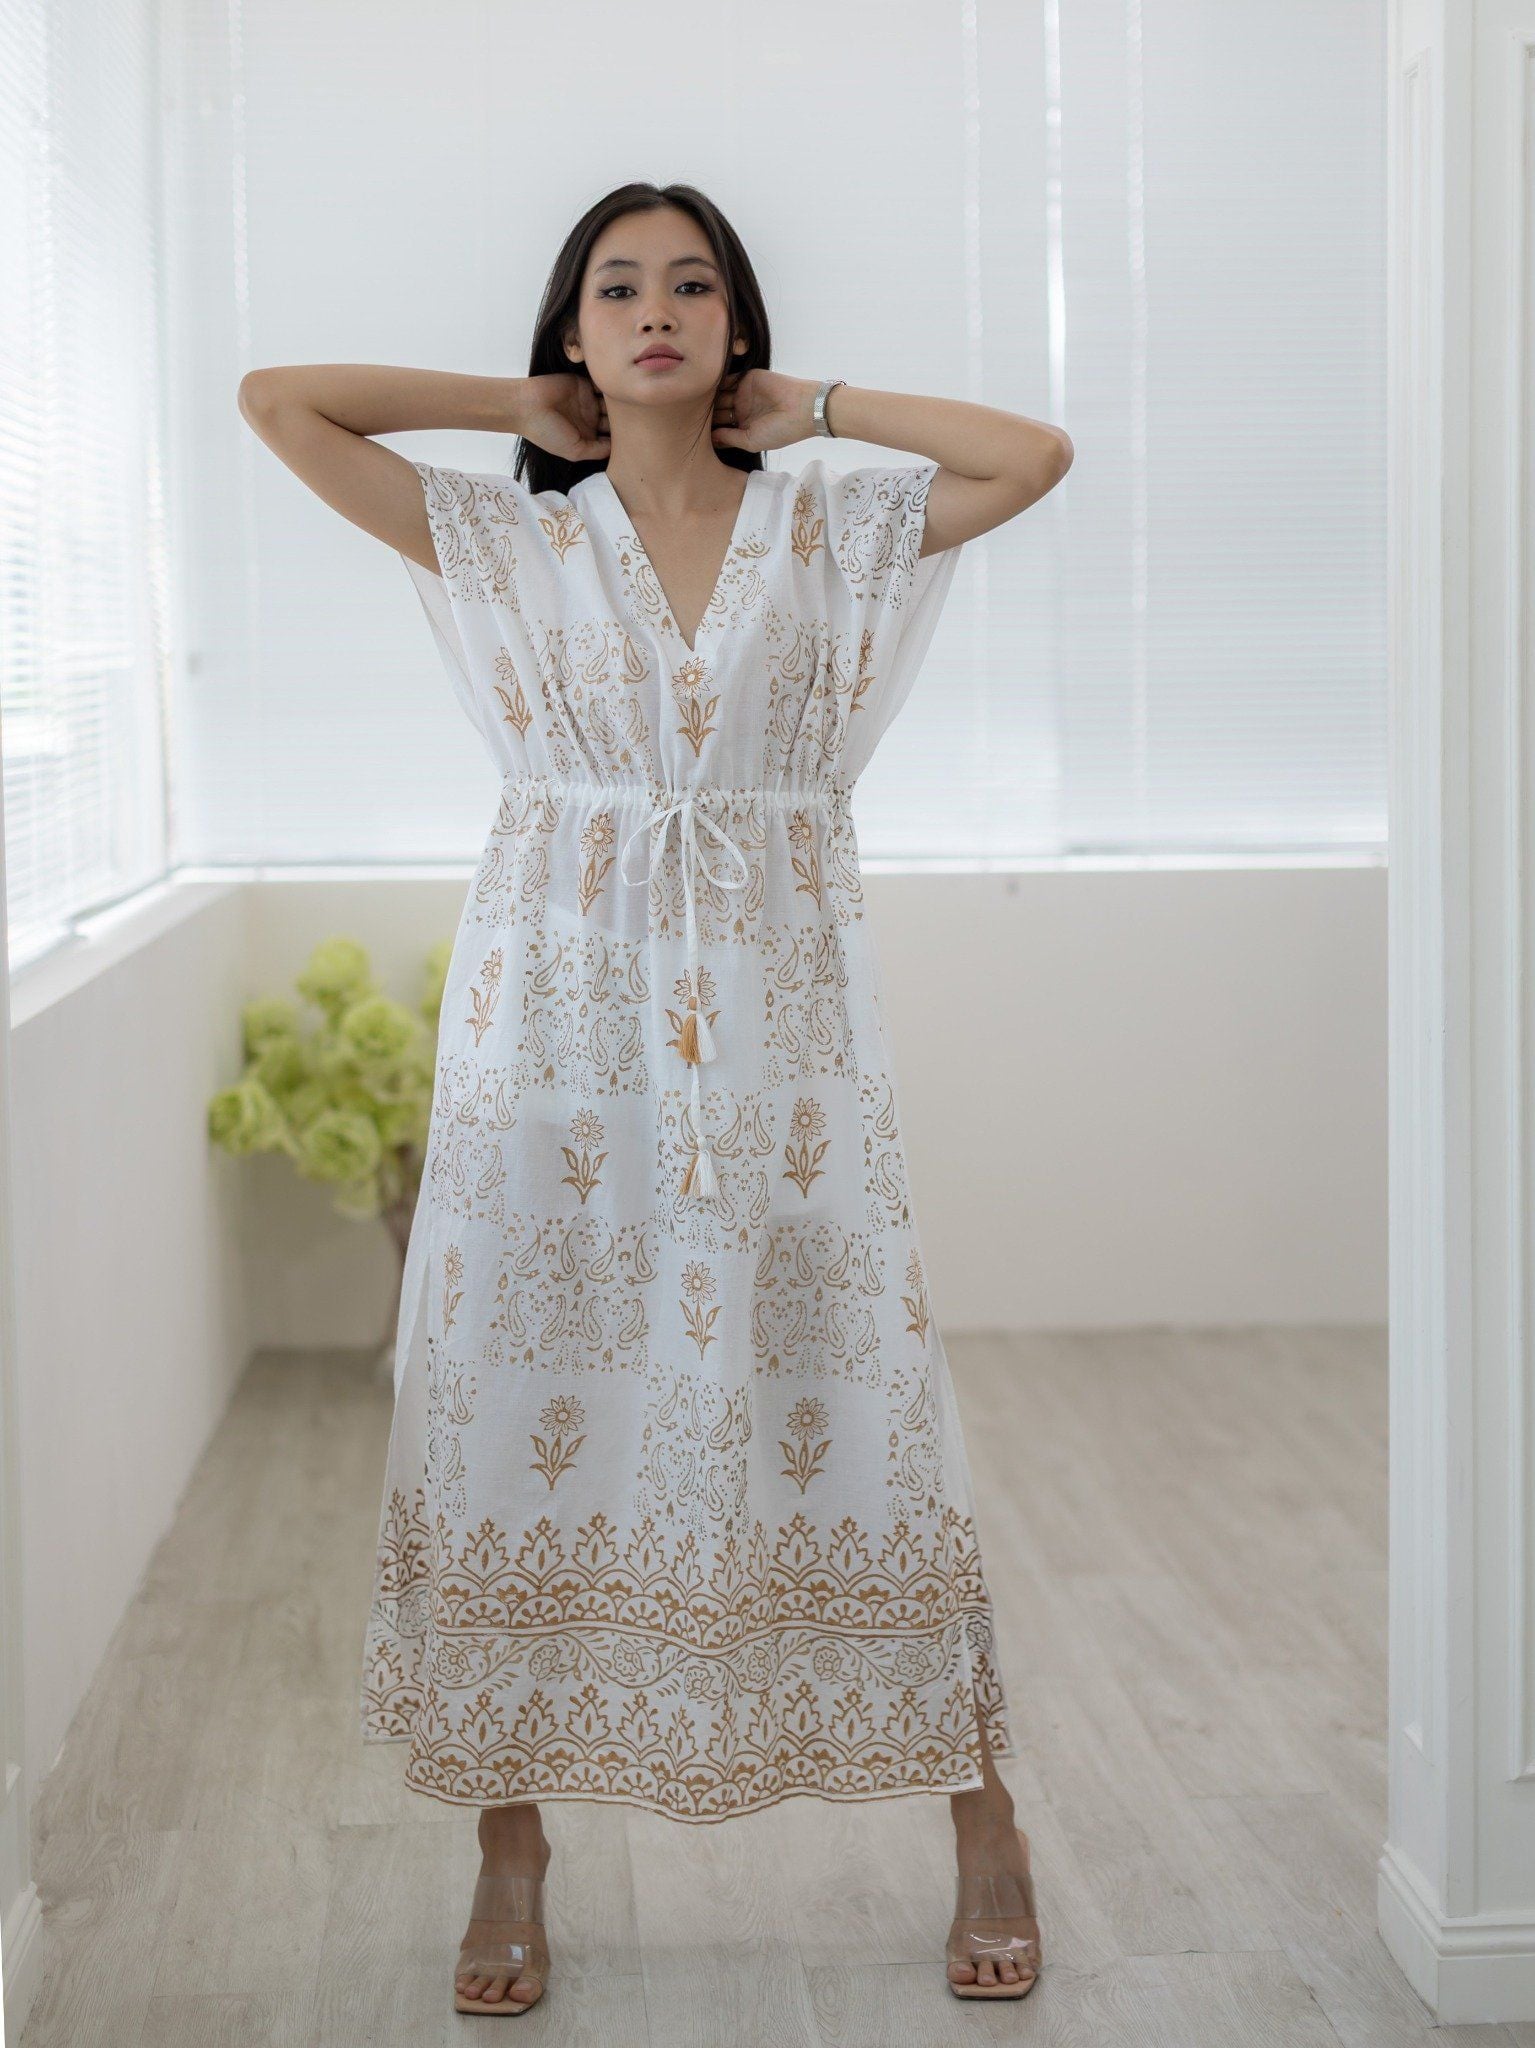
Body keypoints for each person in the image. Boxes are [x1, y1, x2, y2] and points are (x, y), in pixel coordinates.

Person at [238, 179, 1072, 2016]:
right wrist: (514, 405)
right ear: (576, 332)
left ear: (738, 328)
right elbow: (277, 400)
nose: (657, 312)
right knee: (517, 1397)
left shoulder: (832, 532)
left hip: (783, 1047)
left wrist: (821, 409)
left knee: (850, 1396)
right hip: (555, 1027)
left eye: (693, 285)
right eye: (616, 290)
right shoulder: (505, 540)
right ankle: (511, 1846)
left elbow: (1034, 455)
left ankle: (984, 1817)